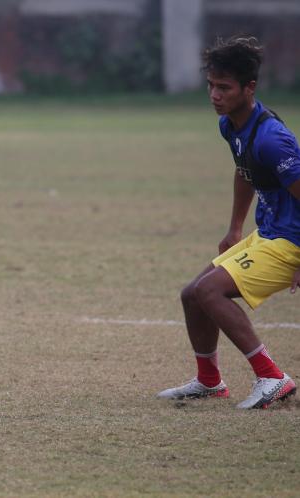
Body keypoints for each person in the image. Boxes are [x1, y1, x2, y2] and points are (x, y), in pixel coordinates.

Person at [156, 36, 300, 409]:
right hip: (268, 231)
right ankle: (209, 382)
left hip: (291, 241)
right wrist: (235, 227)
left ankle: (272, 376)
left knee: (210, 292)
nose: (215, 95)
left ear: (249, 88)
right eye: (211, 86)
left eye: (224, 88)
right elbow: (244, 171)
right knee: (192, 294)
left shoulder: (272, 139)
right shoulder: (232, 125)